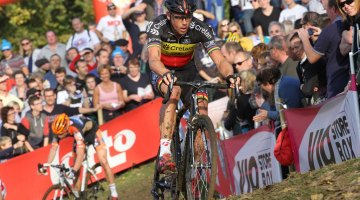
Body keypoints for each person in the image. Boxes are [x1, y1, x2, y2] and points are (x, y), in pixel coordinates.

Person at [146, 0, 237, 173]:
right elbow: (153, 59)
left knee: (202, 110)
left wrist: (231, 76)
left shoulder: (200, 28)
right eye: (179, 18)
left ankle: (194, 171)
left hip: (188, 71)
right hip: (162, 70)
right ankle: (165, 153)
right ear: (168, 15)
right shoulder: (157, 25)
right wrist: (165, 73)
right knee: (174, 90)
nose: (184, 22)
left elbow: (220, 60)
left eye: (187, 17)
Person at [40, 113, 119, 199]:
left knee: (103, 161)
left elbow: (80, 153)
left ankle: (114, 192)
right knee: (76, 170)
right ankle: (78, 197)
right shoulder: (58, 129)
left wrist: (73, 170)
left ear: (66, 129)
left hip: (92, 133)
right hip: (80, 136)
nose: (58, 136)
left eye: (61, 134)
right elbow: (53, 149)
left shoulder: (75, 128)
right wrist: (47, 165)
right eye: (57, 134)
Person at [297, 0, 349, 98]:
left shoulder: (329, 30)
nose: (326, 13)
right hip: (348, 80)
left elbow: (312, 58)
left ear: (333, 9)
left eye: (326, 10)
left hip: (336, 85)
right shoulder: (349, 25)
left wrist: (304, 39)